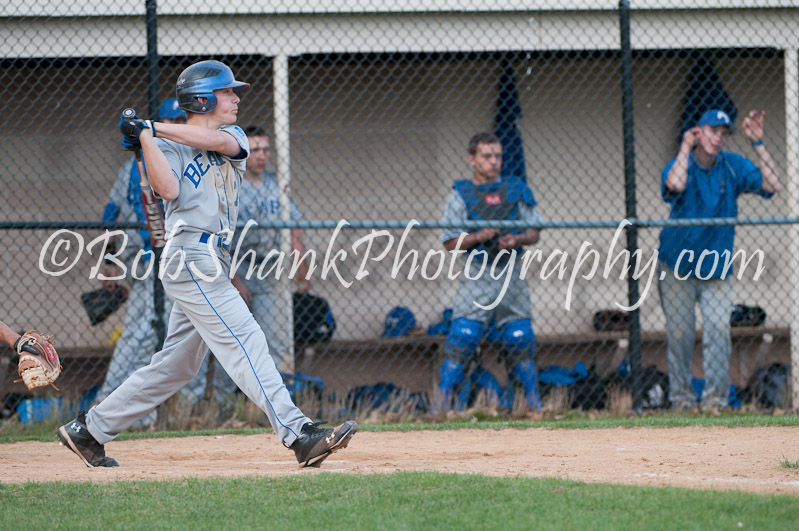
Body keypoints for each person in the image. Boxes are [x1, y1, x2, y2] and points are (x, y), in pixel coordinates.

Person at [57, 59, 357, 468]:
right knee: (246, 338)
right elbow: (167, 189)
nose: (235, 98)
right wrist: (145, 140)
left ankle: (89, 431)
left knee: (176, 366)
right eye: (227, 91)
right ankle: (299, 433)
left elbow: (216, 143)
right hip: (190, 257)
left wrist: (150, 127)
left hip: (212, 256)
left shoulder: (233, 135)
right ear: (202, 99)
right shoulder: (163, 146)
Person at [658, 109, 781, 413]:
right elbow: (674, 184)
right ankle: (682, 400)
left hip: (715, 268)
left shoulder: (732, 165)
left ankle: (715, 401)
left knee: (718, 330)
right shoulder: (683, 162)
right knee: (680, 334)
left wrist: (758, 143)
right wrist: (685, 146)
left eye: (724, 133)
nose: (719, 138)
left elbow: (772, 185)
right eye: (713, 131)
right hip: (677, 265)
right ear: (698, 132)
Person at [97, 98, 208, 423]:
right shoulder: (136, 166)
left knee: (176, 333)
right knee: (142, 331)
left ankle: (168, 411)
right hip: (147, 261)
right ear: (160, 123)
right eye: (171, 120)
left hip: (179, 258)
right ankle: (109, 403)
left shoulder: (189, 160)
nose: (177, 125)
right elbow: (110, 216)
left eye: (181, 120)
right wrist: (108, 261)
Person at [437, 132, 543, 412]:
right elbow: (450, 242)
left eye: (497, 156)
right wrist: (479, 236)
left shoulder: (515, 188)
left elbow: (534, 232)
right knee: (463, 336)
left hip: (511, 269)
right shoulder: (460, 194)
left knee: (519, 336)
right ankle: (441, 406)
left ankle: (532, 405)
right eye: (486, 156)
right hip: (478, 270)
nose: (494, 161)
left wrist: (516, 239)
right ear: (472, 160)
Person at [231, 125, 312, 372]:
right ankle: (226, 395)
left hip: (269, 267)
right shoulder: (230, 184)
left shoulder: (276, 183)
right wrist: (234, 280)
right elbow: (219, 239)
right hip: (239, 265)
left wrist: (301, 266)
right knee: (235, 340)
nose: (262, 156)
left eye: (266, 150)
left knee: (273, 337)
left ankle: (275, 389)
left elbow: (293, 228)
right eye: (255, 150)